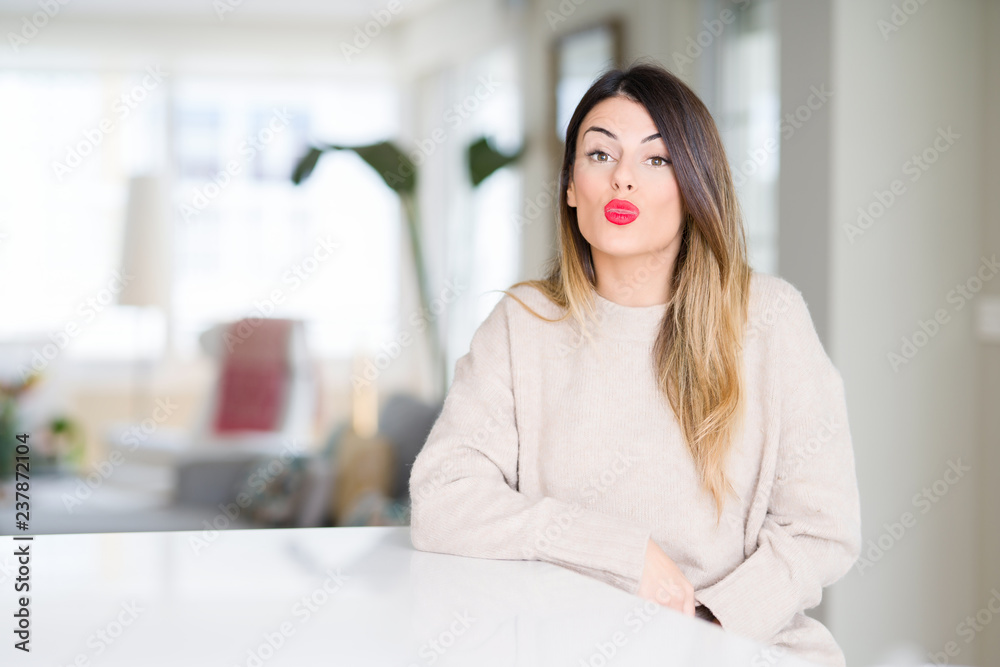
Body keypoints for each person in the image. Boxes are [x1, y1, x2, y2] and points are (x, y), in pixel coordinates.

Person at [408, 60, 861, 667]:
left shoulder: (769, 318)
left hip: (742, 648)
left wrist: (701, 626)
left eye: (657, 159)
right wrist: (624, 553)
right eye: (600, 154)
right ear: (571, 186)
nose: (623, 177)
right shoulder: (524, 323)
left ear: (693, 186)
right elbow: (443, 498)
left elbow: (821, 530)